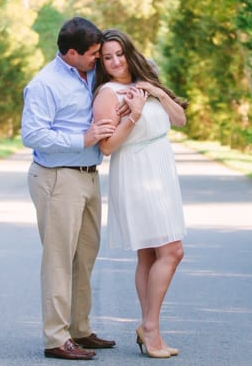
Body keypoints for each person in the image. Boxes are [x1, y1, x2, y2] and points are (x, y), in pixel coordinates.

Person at [21, 17, 120, 361]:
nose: (98, 58)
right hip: (57, 178)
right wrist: (83, 138)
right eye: (93, 53)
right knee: (59, 260)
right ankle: (55, 338)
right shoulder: (44, 84)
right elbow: (32, 135)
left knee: (85, 256)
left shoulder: (91, 73)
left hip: (89, 176)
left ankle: (79, 328)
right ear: (72, 53)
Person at [91, 29, 188, 359]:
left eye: (119, 53)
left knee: (149, 254)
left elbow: (181, 119)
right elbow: (106, 147)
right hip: (135, 171)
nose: (115, 61)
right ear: (101, 62)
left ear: (128, 52)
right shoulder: (108, 93)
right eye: (107, 57)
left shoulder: (148, 79)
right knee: (172, 251)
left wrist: (153, 91)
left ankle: (149, 327)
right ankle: (150, 328)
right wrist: (131, 115)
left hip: (161, 169)